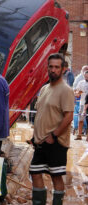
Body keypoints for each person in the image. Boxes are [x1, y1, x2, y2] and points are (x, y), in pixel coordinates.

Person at [29, 53, 74, 205]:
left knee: (56, 176)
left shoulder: (66, 90)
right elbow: (41, 115)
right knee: (35, 172)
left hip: (56, 142)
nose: (53, 70)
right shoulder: (44, 89)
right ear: (47, 68)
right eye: (51, 67)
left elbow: (68, 117)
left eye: (57, 67)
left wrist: (53, 136)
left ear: (63, 70)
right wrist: (34, 137)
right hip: (40, 142)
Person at [74, 70, 88, 140]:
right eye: (85, 75)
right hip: (82, 103)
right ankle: (79, 134)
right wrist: (77, 93)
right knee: (80, 119)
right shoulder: (81, 82)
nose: (86, 77)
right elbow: (76, 91)